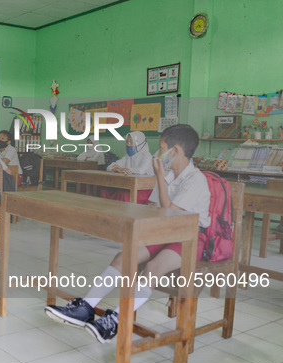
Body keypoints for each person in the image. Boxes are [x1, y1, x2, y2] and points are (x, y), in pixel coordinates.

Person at [44, 124, 211, 343]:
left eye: (161, 148)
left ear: (176, 151)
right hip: (163, 231)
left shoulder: (194, 179)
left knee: (153, 268)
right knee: (123, 258)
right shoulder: (169, 174)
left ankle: (116, 319)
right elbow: (153, 206)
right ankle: (86, 307)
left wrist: (159, 177)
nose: (158, 153)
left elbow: (170, 209)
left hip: (190, 238)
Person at [101, 131, 154, 204]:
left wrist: (124, 170)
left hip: (144, 189)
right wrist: (117, 169)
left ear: (140, 143)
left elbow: (141, 171)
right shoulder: (127, 157)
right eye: (127, 142)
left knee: (123, 194)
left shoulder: (147, 156)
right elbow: (109, 166)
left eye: (131, 142)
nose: (128, 144)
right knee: (105, 190)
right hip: (129, 186)